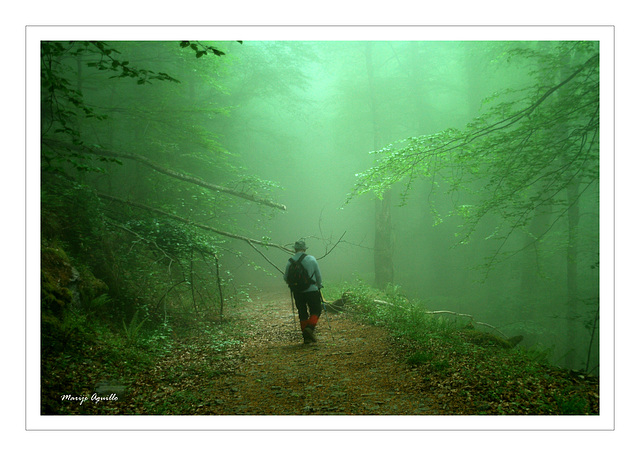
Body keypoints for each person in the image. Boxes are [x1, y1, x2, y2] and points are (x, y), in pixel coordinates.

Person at [284, 239, 323, 344]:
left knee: (302, 312)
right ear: (305, 249)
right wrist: (319, 285)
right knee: (316, 310)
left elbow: (285, 277)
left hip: (297, 292)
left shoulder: (290, 261)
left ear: (295, 249)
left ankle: (306, 339)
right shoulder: (311, 259)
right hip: (312, 290)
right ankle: (309, 328)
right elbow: (318, 275)